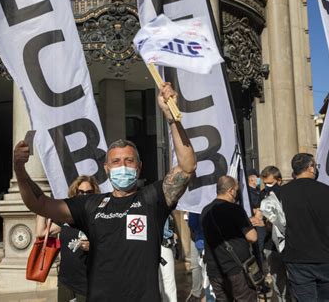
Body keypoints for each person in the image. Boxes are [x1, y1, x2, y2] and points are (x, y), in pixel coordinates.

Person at [14, 82, 196, 301]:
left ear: (139, 167)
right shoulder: (90, 204)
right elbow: (39, 204)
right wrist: (20, 171)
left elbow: (187, 168)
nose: (123, 166)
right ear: (107, 169)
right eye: (116, 162)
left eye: (129, 161)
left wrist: (172, 118)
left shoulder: (151, 199)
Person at [278, 153, 329, 302]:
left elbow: (271, 224)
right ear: (310, 168)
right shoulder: (328, 191)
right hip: (325, 258)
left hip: (297, 259)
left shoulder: (281, 193)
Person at [35, 176, 100, 302]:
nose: (84, 195)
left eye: (88, 192)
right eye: (80, 192)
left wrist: (92, 247)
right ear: (74, 193)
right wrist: (41, 206)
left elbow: (110, 245)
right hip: (66, 280)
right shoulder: (67, 217)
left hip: (87, 282)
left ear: (94, 194)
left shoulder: (99, 216)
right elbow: (42, 233)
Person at [201, 175, 258, 302]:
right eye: (236, 191)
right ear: (231, 191)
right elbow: (252, 237)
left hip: (215, 270)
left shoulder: (205, 210)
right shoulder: (235, 209)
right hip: (236, 269)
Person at [256, 165, 290, 302]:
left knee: (292, 278)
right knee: (277, 279)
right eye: (265, 184)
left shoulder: (287, 195)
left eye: (270, 183)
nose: (268, 186)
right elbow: (259, 215)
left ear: (279, 180)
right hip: (270, 244)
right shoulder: (262, 194)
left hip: (287, 243)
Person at [159, 215, 177, 302]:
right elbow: (163, 230)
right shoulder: (161, 205)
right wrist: (172, 234)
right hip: (164, 247)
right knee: (168, 280)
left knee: (159, 279)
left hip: (152, 246)